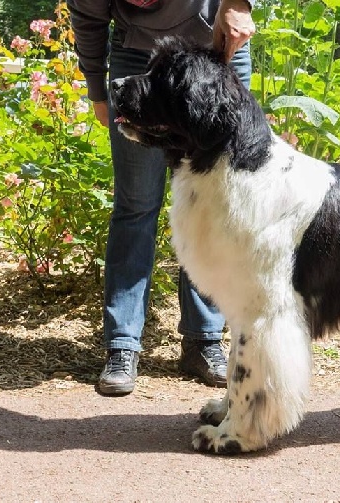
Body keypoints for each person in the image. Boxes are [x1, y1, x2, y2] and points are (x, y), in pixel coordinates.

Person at [67, 0, 256, 394]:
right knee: (135, 205)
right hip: (137, 56)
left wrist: (238, 3)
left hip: (214, 51)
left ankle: (204, 339)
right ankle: (122, 344)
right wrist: (98, 92)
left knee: (213, 204)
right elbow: (87, 21)